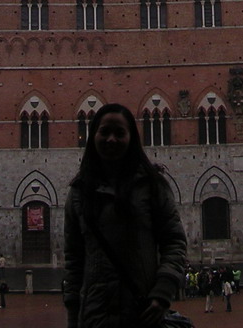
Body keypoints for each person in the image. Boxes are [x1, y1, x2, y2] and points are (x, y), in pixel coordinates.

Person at [63, 102, 187, 328]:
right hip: (95, 317)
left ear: (132, 138)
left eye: (120, 133)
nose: (111, 139)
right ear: (93, 136)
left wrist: (162, 294)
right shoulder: (79, 193)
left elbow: (175, 242)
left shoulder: (151, 185)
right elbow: (74, 260)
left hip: (142, 314)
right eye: (104, 132)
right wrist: (73, 314)